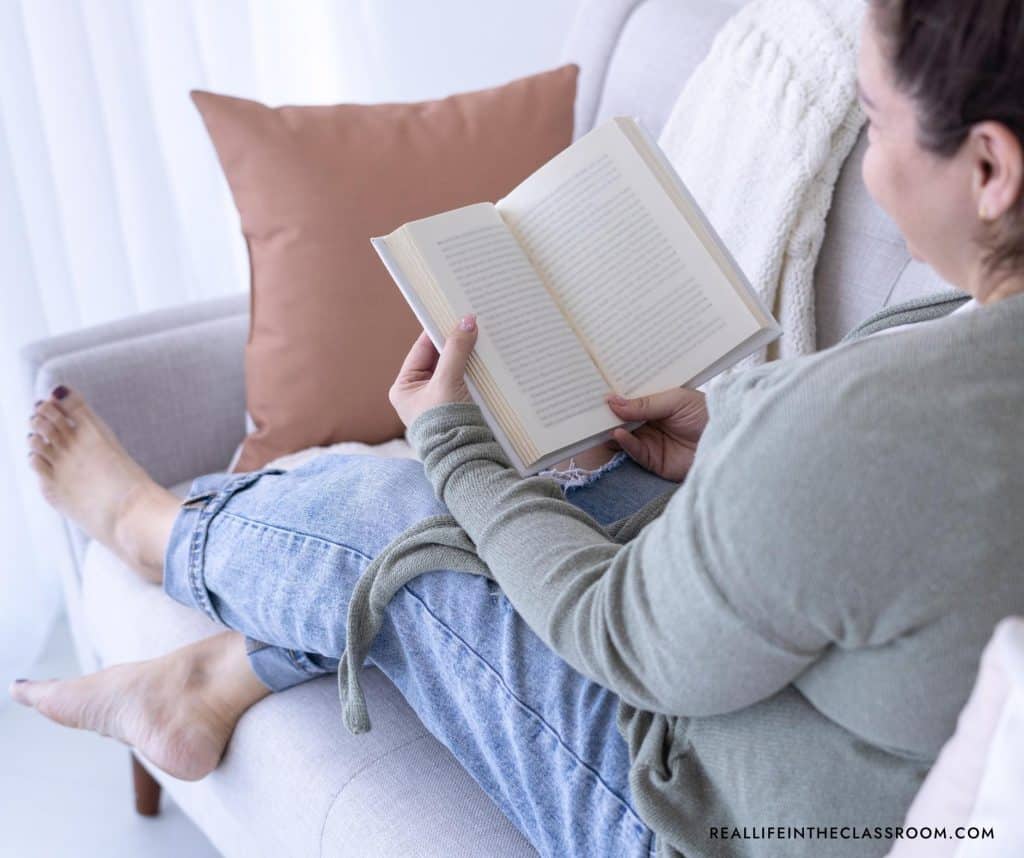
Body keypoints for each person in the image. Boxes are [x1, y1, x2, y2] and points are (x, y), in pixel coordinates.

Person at [11, 1, 1024, 855]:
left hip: (696, 815)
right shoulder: (955, 361)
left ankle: (153, 530)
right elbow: (900, 528)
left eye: (873, 123)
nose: (871, 168)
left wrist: (452, 444)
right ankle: (213, 676)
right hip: (820, 702)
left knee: (405, 507)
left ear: (988, 167)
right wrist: (728, 445)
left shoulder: (871, 422)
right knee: (581, 492)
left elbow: (615, 633)